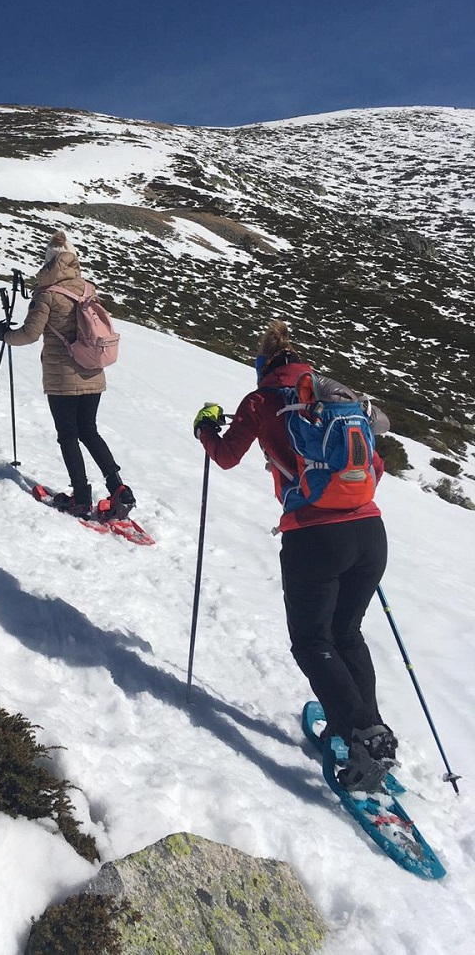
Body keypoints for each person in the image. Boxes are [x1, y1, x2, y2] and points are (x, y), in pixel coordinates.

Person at [194, 318, 397, 793]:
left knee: (312, 642)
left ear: (263, 366)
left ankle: (364, 739)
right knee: (347, 634)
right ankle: (367, 731)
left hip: (314, 537)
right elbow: (376, 466)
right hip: (370, 531)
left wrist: (205, 426)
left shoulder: (261, 401)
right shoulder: (336, 399)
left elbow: (225, 456)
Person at [0, 231, 134, 517]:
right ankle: (119, 489)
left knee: (68, 434)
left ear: (49, 263)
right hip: (93, 371)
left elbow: (29, 334)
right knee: (89, 430)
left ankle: (81, 497)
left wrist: (5, 334)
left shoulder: (47, 295)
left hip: (62, 377)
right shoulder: (87, 288)